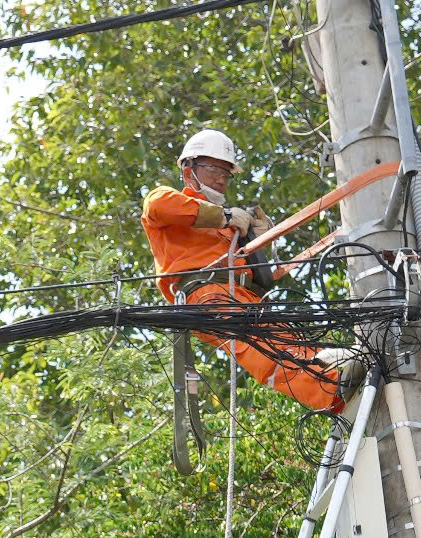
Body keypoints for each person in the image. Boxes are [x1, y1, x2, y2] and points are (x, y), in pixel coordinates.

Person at [140, 127, 355, 413]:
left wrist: (257, 241)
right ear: (188, 169)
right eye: (214, 168)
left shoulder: (232, 230)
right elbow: (161, 207)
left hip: (246, 298)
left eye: (226, 173)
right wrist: (224, 216)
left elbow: (262, 280)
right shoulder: (167, 201)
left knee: (286, 340)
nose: (221, 178)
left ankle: (339, 370)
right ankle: (329, 392)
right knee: (258, 350)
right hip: (206, 297)